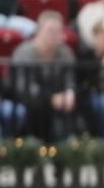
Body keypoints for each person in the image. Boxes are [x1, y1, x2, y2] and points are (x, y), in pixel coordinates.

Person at [10, 11, 81, 140]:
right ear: (38, 31)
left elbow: (70, 80)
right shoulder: (23, 52)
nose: (54, 36)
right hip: (29, 103)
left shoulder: (65, 53)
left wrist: (70, 92)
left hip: (59, 102)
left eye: (58, 32)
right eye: (50, 31)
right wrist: (50, 99)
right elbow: (23, 88)